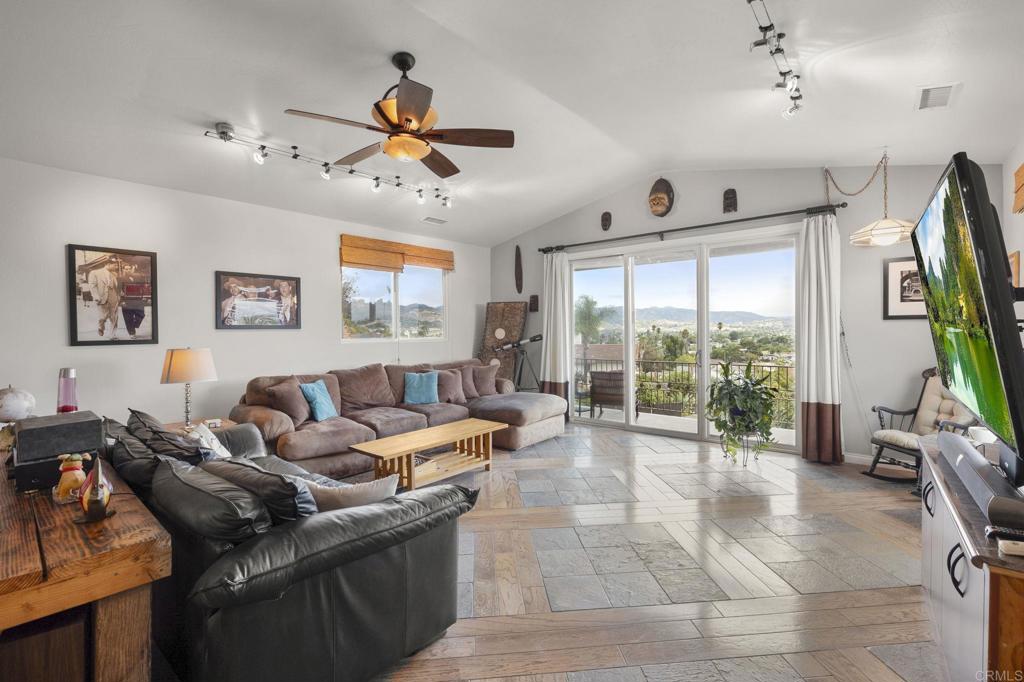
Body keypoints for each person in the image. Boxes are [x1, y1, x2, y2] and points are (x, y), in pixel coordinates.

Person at [88, 259, 121, 339]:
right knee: (103, 317)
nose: (116, 267)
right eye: (115, 265)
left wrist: (119, 296)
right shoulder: (95, 272)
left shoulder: (114, 274)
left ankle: (112, 335)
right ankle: (101, 326)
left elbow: (117, 287)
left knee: (114, 317)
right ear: (108, 264)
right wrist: (96, 296)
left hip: (114, 298)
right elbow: (92, 285)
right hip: (102, 298)